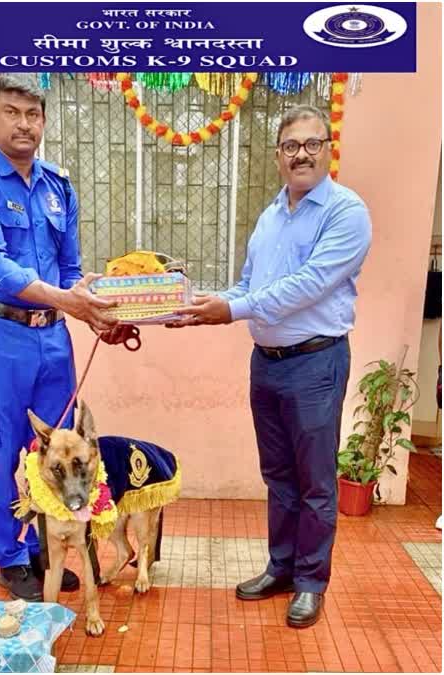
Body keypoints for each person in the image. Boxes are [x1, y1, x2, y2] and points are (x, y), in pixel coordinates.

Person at [168, 104, 372, 628]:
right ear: (279, 156)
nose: (301, 153)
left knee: (316, 482)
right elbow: (250, 287)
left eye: (312, 144)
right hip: (268, 363)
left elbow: (309, 285)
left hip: (315, 364)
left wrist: (233, 308)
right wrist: (201, 309)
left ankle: (310, 582)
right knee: (279, 476)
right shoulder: (271, 213)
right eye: (290, 146)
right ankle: (280, 568)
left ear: (328, 149)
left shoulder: (345, 213)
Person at [0, 73, 127, 601]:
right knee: (3, 450)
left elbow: (69, 268)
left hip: (54, 338)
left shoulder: (58, 186)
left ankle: (44, 547)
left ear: (43, 120)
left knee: (56, 448)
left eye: (33, 114)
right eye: (12, 112)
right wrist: (68, 298)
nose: (24, 124)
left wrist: (93, 307)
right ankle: (12, 557)